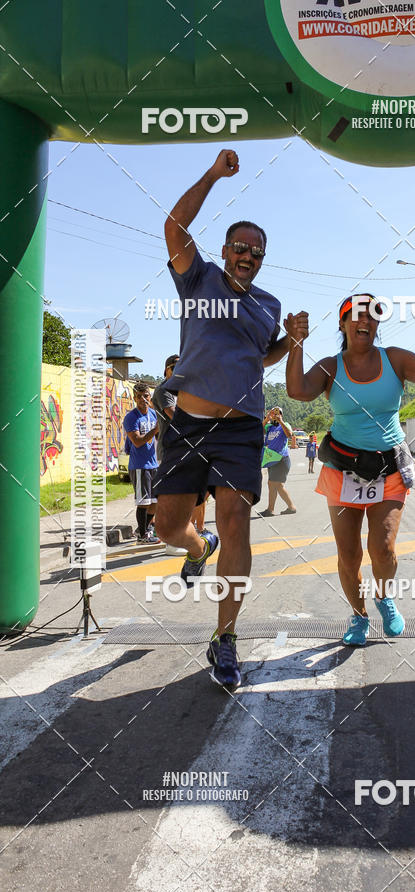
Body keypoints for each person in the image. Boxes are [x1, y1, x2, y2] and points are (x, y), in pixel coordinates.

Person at [153, 148, 293, 689]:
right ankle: (198, 547)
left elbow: (259, 356)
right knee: (169, 526)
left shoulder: (268, 304)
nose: (247, 255)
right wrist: (214, 174)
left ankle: (226, 638)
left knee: (236, 518)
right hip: (187, 423)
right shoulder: (198, 279)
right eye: (239, 246)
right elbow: (173, 224)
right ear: (224, 249)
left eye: (256, 251)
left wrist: (290, 342)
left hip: (240, 429)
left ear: (262, 260)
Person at [285, 293, 415, 646]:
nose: (366, 321)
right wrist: (295, 343)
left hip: (388, 468)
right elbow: (297, 391)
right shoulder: (331, 367)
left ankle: (383, 596)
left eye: (374, 315)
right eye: (357, 315)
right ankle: (359, 615)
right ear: (343, 322)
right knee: (348, 556)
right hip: (342, 470)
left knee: (383, 550)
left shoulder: (394, 359)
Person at [153, 354, 214, 555]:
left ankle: (184, 535)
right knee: (174, 497)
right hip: (171, 451)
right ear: (166, 370)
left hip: (184, 449)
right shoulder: (164, 390)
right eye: (175, 366)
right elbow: (174, 414)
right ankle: (173, 541)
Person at [123, 384, 160, 544]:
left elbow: (158, 437)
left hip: (154, 464)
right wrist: (155, 430)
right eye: (139, 396)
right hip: (140, 465)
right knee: (143, 502)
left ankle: (146, 529)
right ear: (134, 398)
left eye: (146, 395)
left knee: (155, 501)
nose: (143, 399)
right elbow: (137, 441)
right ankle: (142, 535)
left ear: (149, 396)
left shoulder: (153, 414)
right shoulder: (131, 417)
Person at [259, 407, 296, 516]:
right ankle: (291, 507)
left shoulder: (285, 425)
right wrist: (267, 419)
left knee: (272, 484)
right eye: (273, 412)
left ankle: (270, 510)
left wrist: (280, 421)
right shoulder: (269, 427)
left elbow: (289, 435)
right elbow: (259, 430)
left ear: (281, 415)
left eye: (278, 413)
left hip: (281, 459)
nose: (275, 414)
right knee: (278, 486)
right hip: (271, 460)